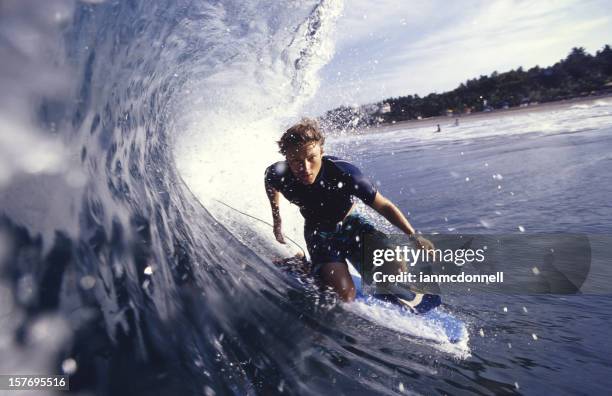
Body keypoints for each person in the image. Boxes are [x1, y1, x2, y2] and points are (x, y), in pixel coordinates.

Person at [264, 118, 435, 303]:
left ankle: (365, 274)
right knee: (345, 296)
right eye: (295, 161)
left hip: (353, 225)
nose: (304, 168)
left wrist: (413, 235)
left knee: (397, 267)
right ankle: (304, 267)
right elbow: (269, 181)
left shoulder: (345, 174)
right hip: (319, 234)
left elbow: (384, 205)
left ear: (321, 151)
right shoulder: (279, 174)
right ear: (286, 158)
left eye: (311, 158)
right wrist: (277, 218)